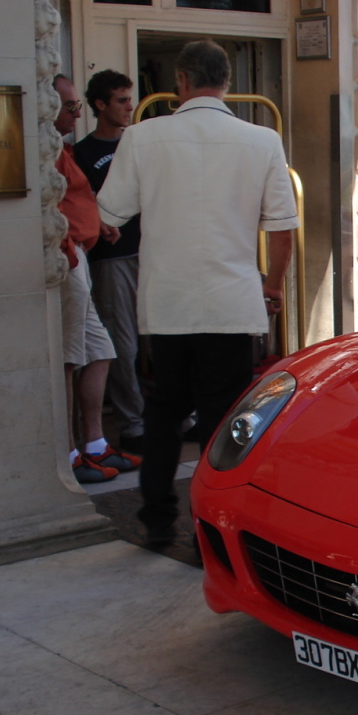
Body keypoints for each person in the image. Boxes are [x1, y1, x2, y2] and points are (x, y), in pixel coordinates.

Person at [97, 39, 298, 546]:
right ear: (226, 82)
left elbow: (108, 215)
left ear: (181, 82)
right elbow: (282, 228)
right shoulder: (262, 140)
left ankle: (158, 517)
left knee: (164, 412)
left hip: (168, 303)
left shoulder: (142, 137)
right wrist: (271, 286)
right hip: (232, 302)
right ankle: (216, 526)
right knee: (222, 419)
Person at [52, 74, 139, 485]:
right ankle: (69, 453)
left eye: (75, 106)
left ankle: (94, 444)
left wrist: (96, 225)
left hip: (81, 256)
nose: (76, 113)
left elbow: (75, 201)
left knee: (99, 351)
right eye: (69, 107)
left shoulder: (60, 149)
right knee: (70, 358)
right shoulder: (56, 151)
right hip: (68, 261)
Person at [74, 69, 144, 454]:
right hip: (111, 257)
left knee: (161, 335)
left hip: (150, 251)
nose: (128, 107)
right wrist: (98, 224)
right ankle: (132, 423)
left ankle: (178, 415)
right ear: (100, 105)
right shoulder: (82, 153)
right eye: (120, 100)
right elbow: (78, 205)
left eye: (129, 99)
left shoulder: (139, 143)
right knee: (122, 343)